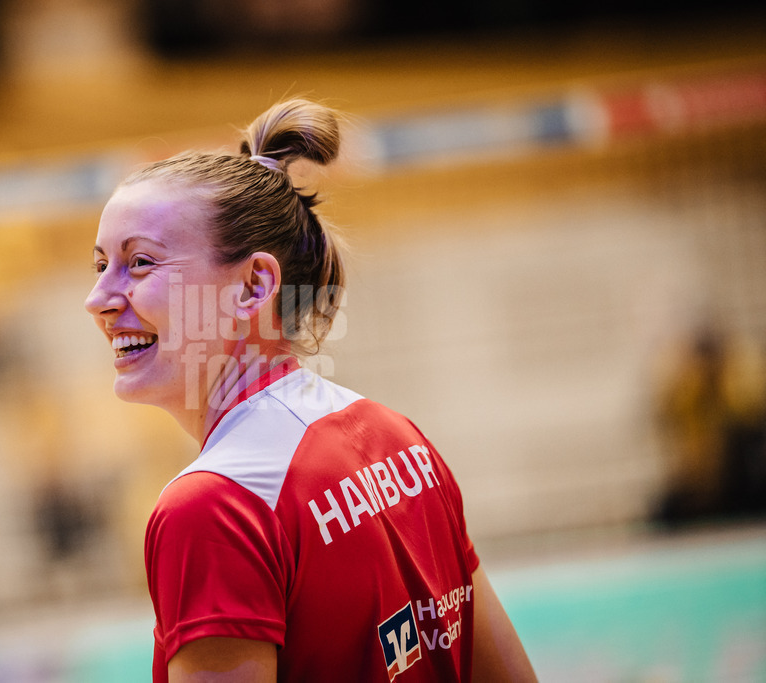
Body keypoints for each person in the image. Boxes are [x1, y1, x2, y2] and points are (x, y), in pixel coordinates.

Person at [85, 99, 536, 682]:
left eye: (139, 263)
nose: (99, 298)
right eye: (99, 265)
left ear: (253, 286)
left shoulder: (212, 509)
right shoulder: (398, 437)